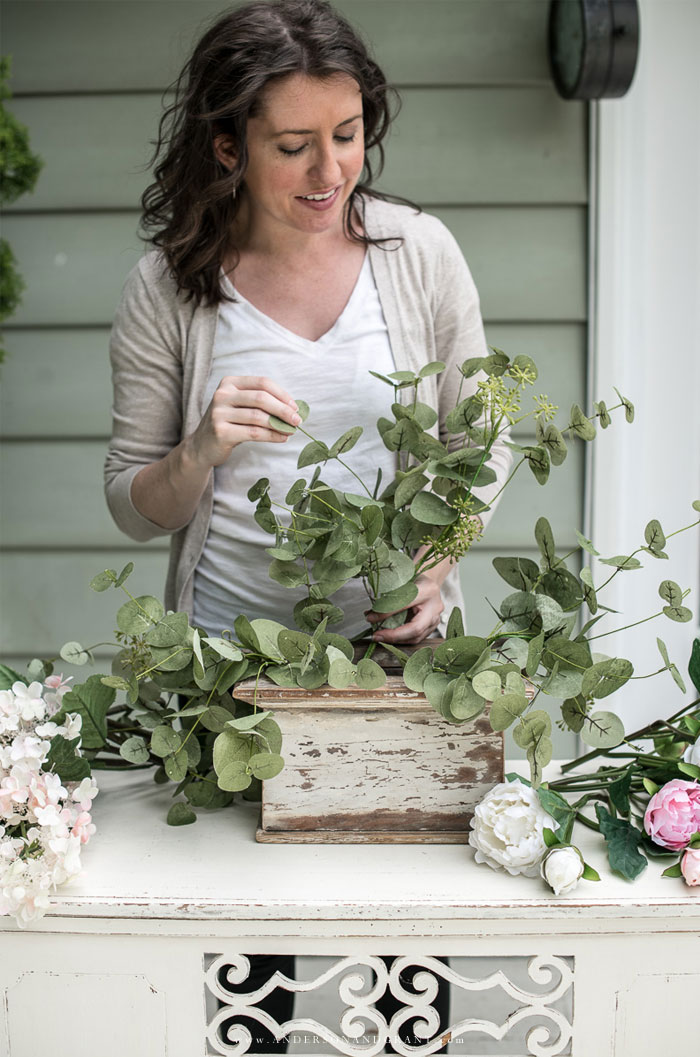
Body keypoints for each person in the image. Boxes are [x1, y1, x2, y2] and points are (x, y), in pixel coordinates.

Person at [104, 1, 512, 1051]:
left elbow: (485, 433)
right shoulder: (168, 289)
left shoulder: (416, 254)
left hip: (394, 677)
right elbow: (130, 500)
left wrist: (439, 560)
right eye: (294, 145)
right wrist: (199, 448)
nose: (329, 170)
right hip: (226, 682)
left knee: (403, 962)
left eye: (347, 134)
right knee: (252, 963)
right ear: (228, 145)